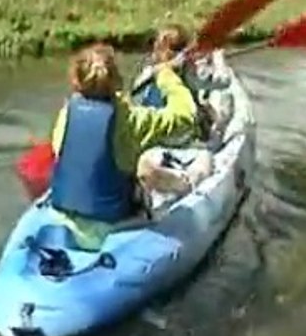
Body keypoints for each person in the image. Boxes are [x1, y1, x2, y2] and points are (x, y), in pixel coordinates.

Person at [46, 43, 206, 249]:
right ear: (116, 80)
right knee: (149, 168)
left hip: (62, 216)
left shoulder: (67, 113)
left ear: (76, 80)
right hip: (112, 225)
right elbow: (186, 116)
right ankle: (187, 183)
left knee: (137, 164)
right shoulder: (131, 120)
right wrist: (167, 77)